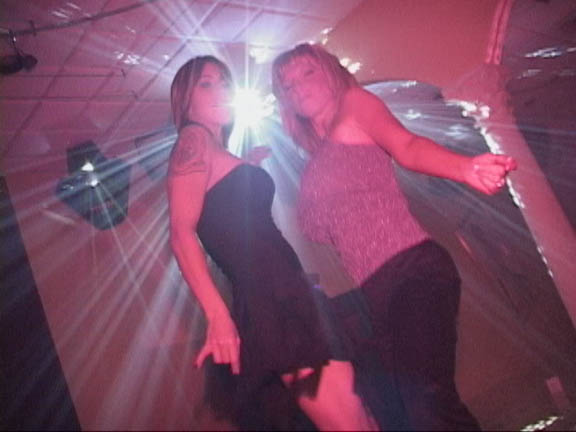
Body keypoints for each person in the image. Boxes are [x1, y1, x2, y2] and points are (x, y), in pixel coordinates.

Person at [272, 43, 517, 431]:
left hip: (413, 269)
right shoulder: (314, 162)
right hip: (374, 292)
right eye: (286, 85)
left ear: (331, 73)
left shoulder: (354, 105)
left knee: (427, 403)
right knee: (404, 415)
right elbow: (316, 227)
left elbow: (407, 146)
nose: (297, 86)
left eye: (307, 72)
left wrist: (465, 168)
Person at [167, 55, 377, 431]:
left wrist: (246, 166)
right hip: (274, 299)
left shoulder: (214, 149)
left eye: (225, 82)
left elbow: (224, 209)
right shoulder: (193, 138)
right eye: (207, 84)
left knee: (358, 415)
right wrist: (217, 315)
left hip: (286, 290)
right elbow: (181, 233)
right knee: (351, 422)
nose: (222, 90)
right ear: (186, 100)